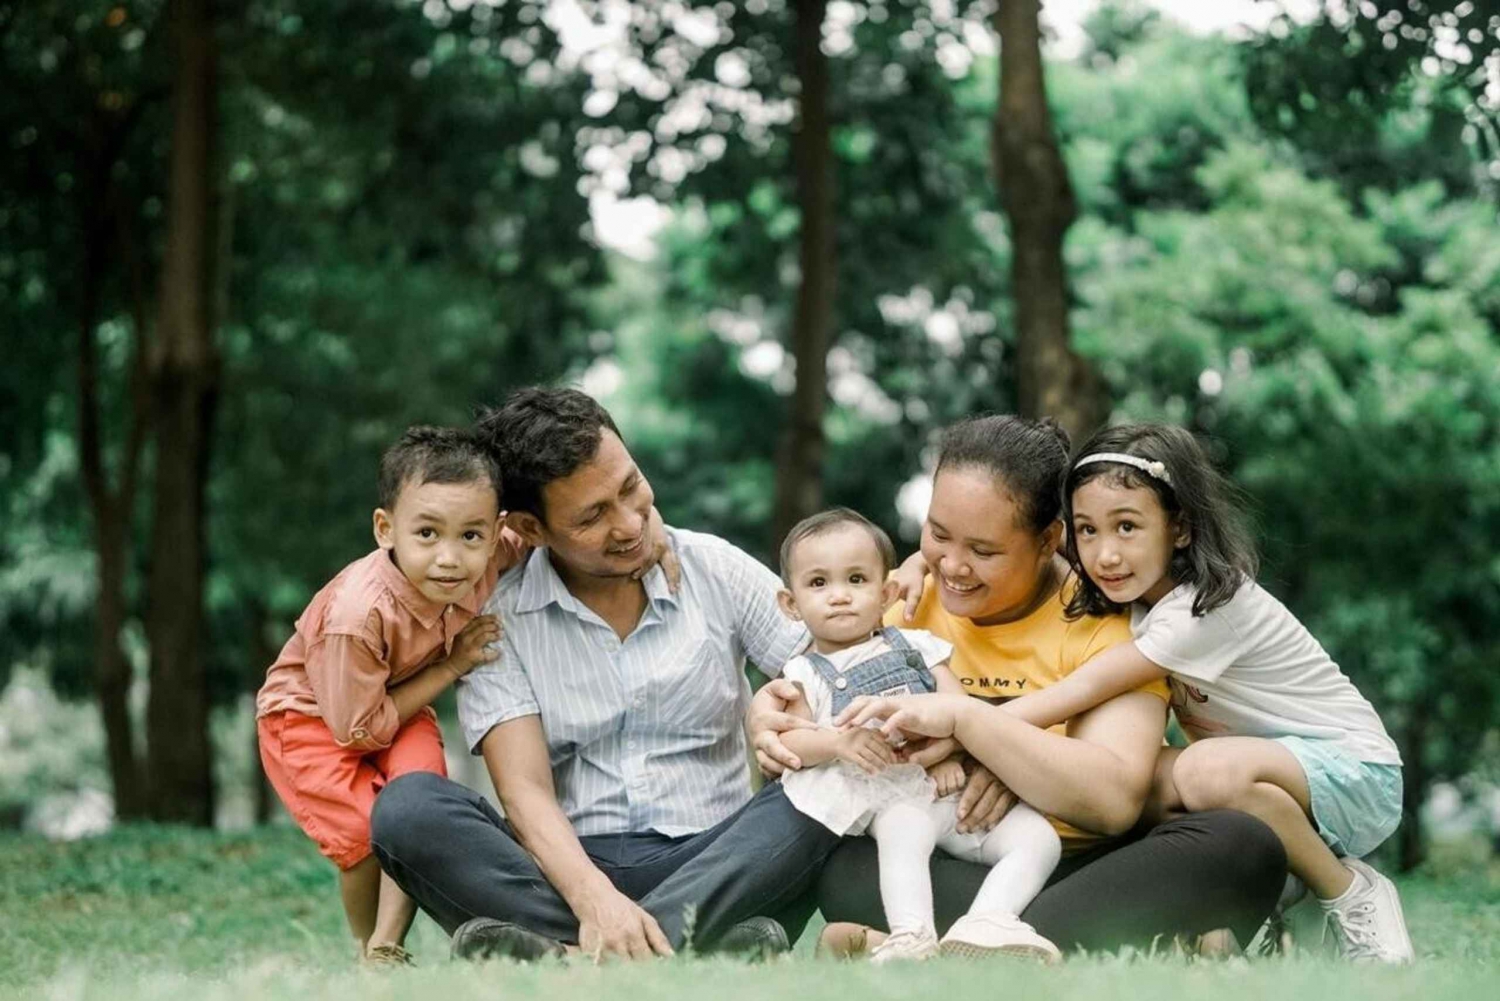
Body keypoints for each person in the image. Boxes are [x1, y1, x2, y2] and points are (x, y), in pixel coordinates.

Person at [750, 414, 1288, 956]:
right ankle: (1062, 940)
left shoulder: (1107, 615)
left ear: (1049, 539)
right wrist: (769, 717)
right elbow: (818, 702)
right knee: (844, 863)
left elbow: (1114, 799)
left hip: (1084, 861)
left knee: (1245, 845)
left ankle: (954, 942)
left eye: (983, 551)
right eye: (938, 534)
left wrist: (982, 735)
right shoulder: (902, 599)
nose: (952, 566)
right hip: (940, 853)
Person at [368, 387, 841, 963]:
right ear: (530, 528)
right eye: (593, 516)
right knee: (408, 807)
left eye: (630, 488)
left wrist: (786, 710)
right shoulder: (499, 622)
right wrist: (597, 902)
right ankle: (697, 949)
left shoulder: (711, 568)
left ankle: (568, 959)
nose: (629, 524)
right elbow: (525, 793)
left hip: (718, 857)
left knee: (831, 782)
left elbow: (839, 666)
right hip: (568, 873)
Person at [953, 422, 1411, 962]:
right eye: (1087, 530)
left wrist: (970, 728)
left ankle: (1349, 891)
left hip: (1358, 772)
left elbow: (1083, 688)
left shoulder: (1207, 608)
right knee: (1116, 782)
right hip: (1266, 780)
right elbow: (1021, 558)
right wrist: (922, 564)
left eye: (1127, 527)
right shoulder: (1138, 594)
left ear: (1181, 529)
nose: (1104, 554)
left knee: (1202, 770)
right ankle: (1270, 890)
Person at [256, 426, 519, 964]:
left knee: (418, 807)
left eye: (470, 536)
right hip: (312, 720)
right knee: (361, 839)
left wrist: (654, 537)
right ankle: (368, 953)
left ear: (495, 534)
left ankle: (386, 948)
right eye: (427, 534)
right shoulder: (358, 616)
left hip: (396, 703)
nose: (450, 559)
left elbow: (554, 528)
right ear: (385, 529)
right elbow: (356, 730)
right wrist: (454, 662)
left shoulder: (490, 556)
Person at [772, 507, 1063, 962]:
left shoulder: (917, 647)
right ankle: (913, 934)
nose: (839, 596)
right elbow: (791, 742)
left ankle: (987, 921)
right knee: (903, 835)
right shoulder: (804, 672)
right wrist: (836, 743)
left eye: (856, 580)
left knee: (1039, 838)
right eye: (818, 583)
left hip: (953, 795)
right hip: (892, 800)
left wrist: (948, 757)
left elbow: (958, 712)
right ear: (790, 603)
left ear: (886, 591)